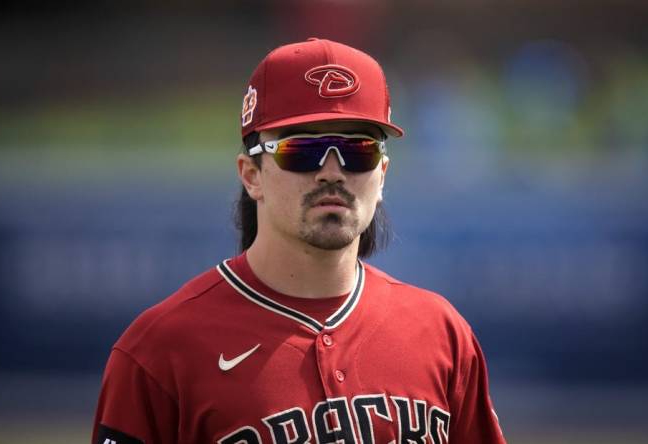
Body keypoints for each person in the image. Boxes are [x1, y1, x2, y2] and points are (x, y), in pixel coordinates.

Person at [92, 37, 505, 444]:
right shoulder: (159, 351)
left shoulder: (441, 333)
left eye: (358, 150)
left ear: (382, 174)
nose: (331, 172)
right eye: (302, 149)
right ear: (251, 174)